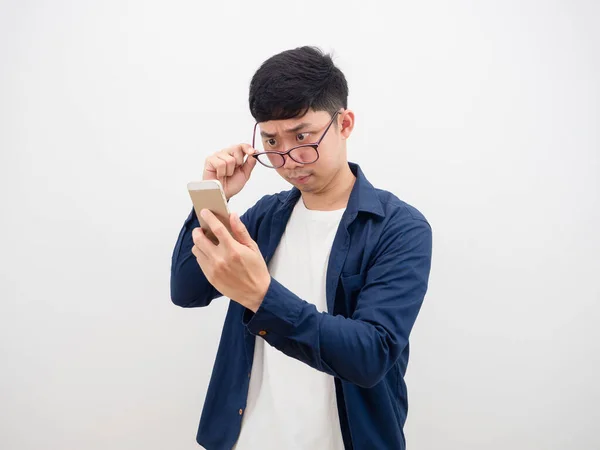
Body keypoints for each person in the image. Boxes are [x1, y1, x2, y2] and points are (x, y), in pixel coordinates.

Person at [170, 46, 433, 450]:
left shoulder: (399, 228)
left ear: (344, 124)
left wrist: (261, 295)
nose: (288, 159)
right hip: (246, 438)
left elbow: (371, 355)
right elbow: (187, 292)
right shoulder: (264, 217)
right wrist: (213, 198)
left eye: (303, 136)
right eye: (272, 141)